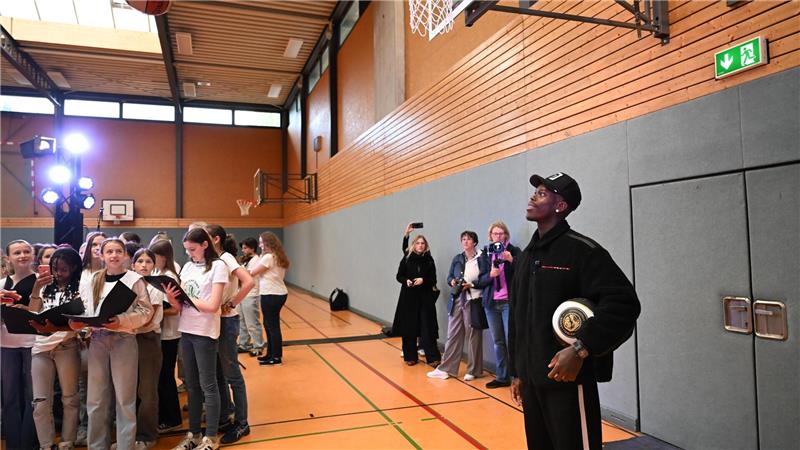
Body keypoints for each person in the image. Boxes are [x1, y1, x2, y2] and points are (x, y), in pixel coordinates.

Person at [508, 172, 640, 450]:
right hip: (532, 384)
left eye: (542, 193)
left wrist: (581, 348)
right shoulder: (526, 257)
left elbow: (623, 305)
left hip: (568, 382)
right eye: (535, 191)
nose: (533, 196)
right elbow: (518, 317)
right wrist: (517, 372)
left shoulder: (584, 252)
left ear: (560, 206)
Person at [71, 238, 153, 450]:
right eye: (109, 251)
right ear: (101, 255)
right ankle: (97, 445)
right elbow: (88, 310)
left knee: (125, 399)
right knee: (96, 399)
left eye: (118, 251)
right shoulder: (95, 278)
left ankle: (125, 445)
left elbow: (145, 312)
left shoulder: (134, 279)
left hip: (124, 340)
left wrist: (121, 321)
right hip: (98, 340)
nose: (114, 255)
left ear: (125, 255)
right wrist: (81, 324)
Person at [163, 228, 228, 450]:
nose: (190, 254)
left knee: (208, 385)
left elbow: (212, 305)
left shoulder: (218, 266)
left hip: (205, 332)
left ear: (204, 245)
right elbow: (180, 307)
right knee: (191, 385)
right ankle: (193, 434)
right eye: (187, 250)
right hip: (187, 330)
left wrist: (188, 299)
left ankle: (211, 436)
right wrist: (173, 298)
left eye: (193, 249)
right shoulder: (189, 266)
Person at [28, 247, 84, 450]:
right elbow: (33, 312)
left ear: (74, 268)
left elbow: (80, 322)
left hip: (66, 345)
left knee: (70, 397)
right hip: (41, 348)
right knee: (41, 401)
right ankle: (46, 444)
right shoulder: (45, 286)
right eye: (55, 269)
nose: (58, 274)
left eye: (64, 269)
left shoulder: (80, 288)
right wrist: (35, 289)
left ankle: (67, 441)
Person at [205, 225, 254, 444]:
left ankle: (242, 423)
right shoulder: (213, 260)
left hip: (227, 321)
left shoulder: (226, 258)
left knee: (232, 373)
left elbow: (249, 281)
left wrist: (233, 302)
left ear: (215, 239)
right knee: (218, 373)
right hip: (214, 321)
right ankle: (225, 415)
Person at [427, 231, 490, 381]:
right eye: (463, 239)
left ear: (474, 242)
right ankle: (446, 368)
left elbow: (487, 278)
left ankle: (474, 370)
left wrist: (473, 284)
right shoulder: (458, 258)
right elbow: (449, 277)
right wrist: (452, 282)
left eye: (468, 239)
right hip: (457, 298)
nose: (465, 241)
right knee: (453, 333)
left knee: (473, 335)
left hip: (473, 299)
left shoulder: (482, 258)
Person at [1, 239, 40, 450]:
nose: (22, 255)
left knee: (32, 396)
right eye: (17, 253)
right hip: (6, 345)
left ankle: (29, 444)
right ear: (9, 258)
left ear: (33, 255)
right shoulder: (1, 284)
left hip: (33, 344)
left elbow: (42, 313)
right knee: (9, 397)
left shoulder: (42, 282)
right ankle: (13, 445)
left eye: (26, 251)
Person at [131, 248, 164, 449]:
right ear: (133, 264)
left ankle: (147, 435)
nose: (144, 265)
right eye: (140, 261)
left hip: (147, 339)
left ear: (154, 265)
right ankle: (130, 434)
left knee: (147, 391)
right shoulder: (127, 284)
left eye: (148, 261)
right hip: (126, 340)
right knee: (129, 391)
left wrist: (122, 324)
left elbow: (148, 319)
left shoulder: (155, 287)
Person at [482, 222, 522, 389]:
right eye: (494, 234)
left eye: (500, 233)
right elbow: (479, 280)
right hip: (492, 303)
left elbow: (523, 273)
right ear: (490, 236)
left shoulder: (514, 251)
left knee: (510, 339)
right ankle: (502, 376)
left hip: (508, 303)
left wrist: (511, 260)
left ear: (506, 235)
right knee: (498, 341)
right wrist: (491, 275)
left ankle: (517, 377)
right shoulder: (485, 252)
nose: (497, 236)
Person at [149, 239, 182, 433]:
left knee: (166, 376)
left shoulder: (170, 276)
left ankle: (172, 419)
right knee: (161, 377)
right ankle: (164, 415)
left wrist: (154, 312)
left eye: (155, 257)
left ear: (164, 257)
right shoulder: (157, 273)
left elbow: (175, 309)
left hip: (169, 334)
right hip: (160, 333)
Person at [393, 233, 441, 366]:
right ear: (414, 245)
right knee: (409, 328)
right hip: (408, 298)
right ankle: (410, 356)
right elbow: (399, 276)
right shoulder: (407, 259)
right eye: (418, 243)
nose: (420, 245)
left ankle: (433, 357)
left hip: (425, 298)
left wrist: (423, 280)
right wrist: (406, 281)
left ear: (426, 246)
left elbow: (433, 279)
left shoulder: (429, 260)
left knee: (427, 327)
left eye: (423, 243)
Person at [249, 232, 289, 366]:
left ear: (268, 243)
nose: (260, 245)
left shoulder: (268, 257)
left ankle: (276, 357)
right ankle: (271, 354)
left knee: (272, 326)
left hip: (271, 294)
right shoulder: (277, 256)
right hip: (278, 293)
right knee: (270, 324)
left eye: (261, 242)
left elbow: (253, 272)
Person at [236, 237, 265, 357]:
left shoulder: (257, 260)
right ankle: (244, 344)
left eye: (245, 248)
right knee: (242, 321)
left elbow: (249, 274)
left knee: (252, 322)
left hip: (251, 294)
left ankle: (258, 345)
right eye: (242, 248)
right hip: (241, 293)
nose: (243, 250)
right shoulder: (245, 260)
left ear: (252, 248)